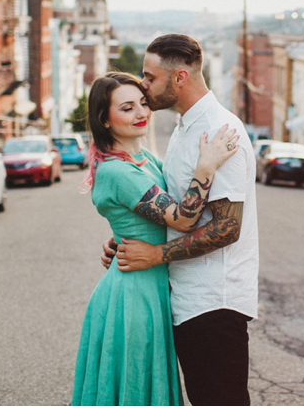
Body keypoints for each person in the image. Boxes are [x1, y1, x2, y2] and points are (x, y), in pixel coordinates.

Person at [106, 33, 259, 406]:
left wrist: (154, 255)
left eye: (149, 77)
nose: (143, 84)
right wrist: (129, 238)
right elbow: (172, 206)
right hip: (187, 298)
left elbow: (227, 227)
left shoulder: (221, 132)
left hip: (215, 303)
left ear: (179, 79)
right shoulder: (184, 127)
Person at [71, 71, 240, 406]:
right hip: (134, 295)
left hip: (148, 286)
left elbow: (139, 215)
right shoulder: (119, 170)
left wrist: (118, 238)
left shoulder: (142, 158)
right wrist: (206, 165)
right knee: (135, 387)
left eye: (143, 104)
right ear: (104, 120)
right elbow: (183, 218)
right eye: (127, 108)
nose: (141, 114)